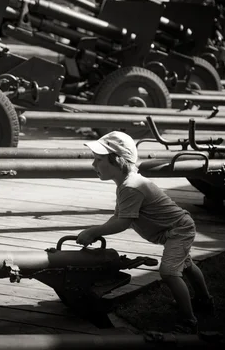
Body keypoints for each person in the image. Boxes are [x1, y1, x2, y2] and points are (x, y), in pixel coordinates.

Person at [76, 131, 214, 333]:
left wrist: (94, 231)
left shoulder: (131, 186)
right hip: (173, 228)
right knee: (186, 264)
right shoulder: (126, 183)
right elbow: (117, 217)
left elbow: (123, 222)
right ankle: (204, 301)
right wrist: (96, 232)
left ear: (118, 161)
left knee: (169, 272)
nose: (93, 165)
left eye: (98, 160)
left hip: (177, 230)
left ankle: (189, 322)